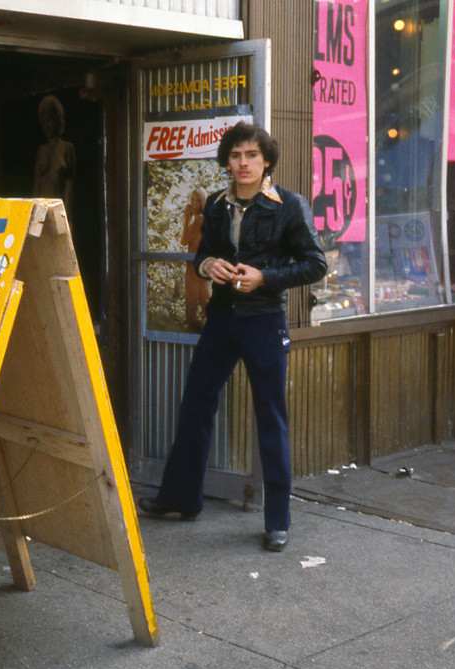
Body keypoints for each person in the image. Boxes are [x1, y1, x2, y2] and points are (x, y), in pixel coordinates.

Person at [139, 123, 327, 552]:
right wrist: (208, 268)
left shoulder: (289, 205)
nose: (243, 163)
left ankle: (277, 520)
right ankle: (181, 499)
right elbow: (204, 252)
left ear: (267, 162)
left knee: (271, 417)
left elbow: (315, 264)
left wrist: (265, 277)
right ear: (227, 161)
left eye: (252, 156)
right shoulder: (220, 206)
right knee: (195, 405)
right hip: (222, 319)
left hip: (264, 321)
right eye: (236, 155)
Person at [32, 95, 76, 210]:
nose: (46, 126)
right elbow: (37, 185)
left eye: (49, 121)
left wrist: (66, 213)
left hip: (58, 210)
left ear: (57, 119)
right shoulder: (42, 150)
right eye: (43, 123)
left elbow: (69, 186)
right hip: (42, 210)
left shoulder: (67, 148)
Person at [180, 187, 210, 328]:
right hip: (199, 263)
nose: (193, 203)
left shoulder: (199, 219)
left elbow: (184, 241)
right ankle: (209, 325)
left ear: (203, 203)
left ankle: (192, 327)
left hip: (193, 264)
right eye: (192, 199)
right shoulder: (203, 219)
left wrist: (186, 218)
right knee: (203, 298)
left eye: (198, 201)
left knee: (191, 299)